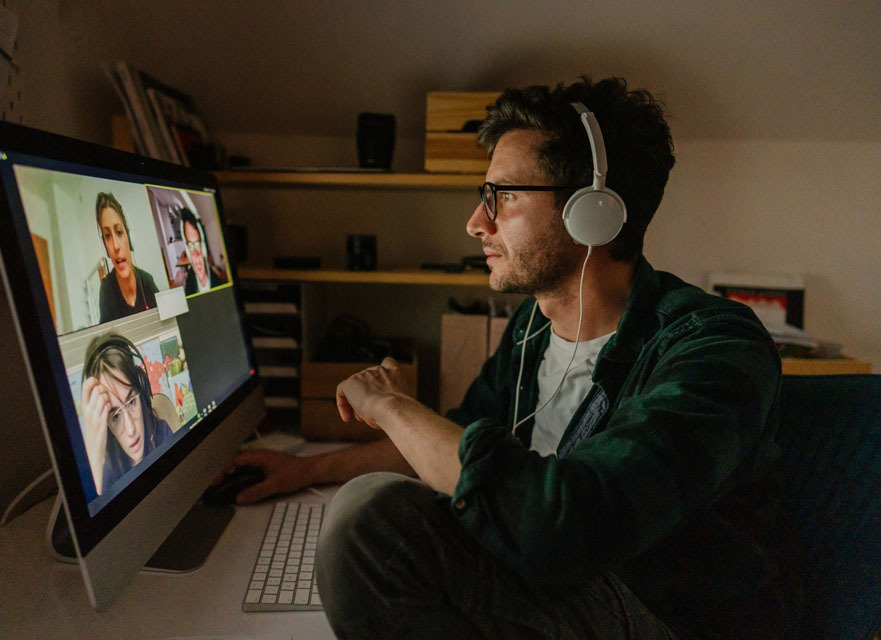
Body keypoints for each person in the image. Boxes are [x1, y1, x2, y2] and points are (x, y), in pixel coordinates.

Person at [229, 77, 796, 639]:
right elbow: (460, 439)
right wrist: (305, 471)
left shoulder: (714, 348)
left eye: (503, 196)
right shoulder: (532, 327)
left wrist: (391, 406)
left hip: (661, 617)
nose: (477, 222)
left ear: (590, 213)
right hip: (553, 589)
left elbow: (569, 525)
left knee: (370, 524)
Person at [81, 332, 173, 496]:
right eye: (115, 416)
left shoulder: (162, 433)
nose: (131, 430)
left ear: (142, 392)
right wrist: (93, 459)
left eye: (131, 402)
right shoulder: (106, 475)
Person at [96, 192, 159, 323]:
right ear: (104, 245)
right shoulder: (106, 290)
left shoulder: (147, 281)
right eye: (107, 236)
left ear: (129, 238)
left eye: (119, 232)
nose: (115, 246)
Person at [179, 207, 226, 294]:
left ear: (204, 247)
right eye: (190, 245)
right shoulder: (188, 286)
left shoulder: (220, 286)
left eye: (198, 244)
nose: (195, 254)